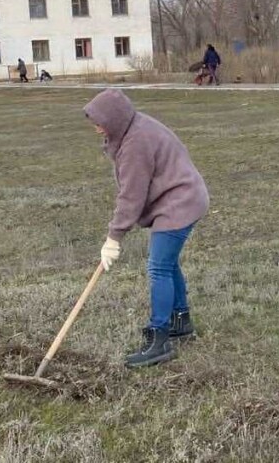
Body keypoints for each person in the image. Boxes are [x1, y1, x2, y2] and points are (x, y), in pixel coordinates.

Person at [84, 89, 210, 368]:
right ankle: (182, 320)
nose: (96, 128)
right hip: (181, 196)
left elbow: (131, 195)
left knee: (158, 267)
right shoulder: (134, 127)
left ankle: (159, 338)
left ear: (115, 119)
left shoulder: (135, 143)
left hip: (180, 201)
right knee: (167, 262)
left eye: (99, 122)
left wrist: (114, 238)